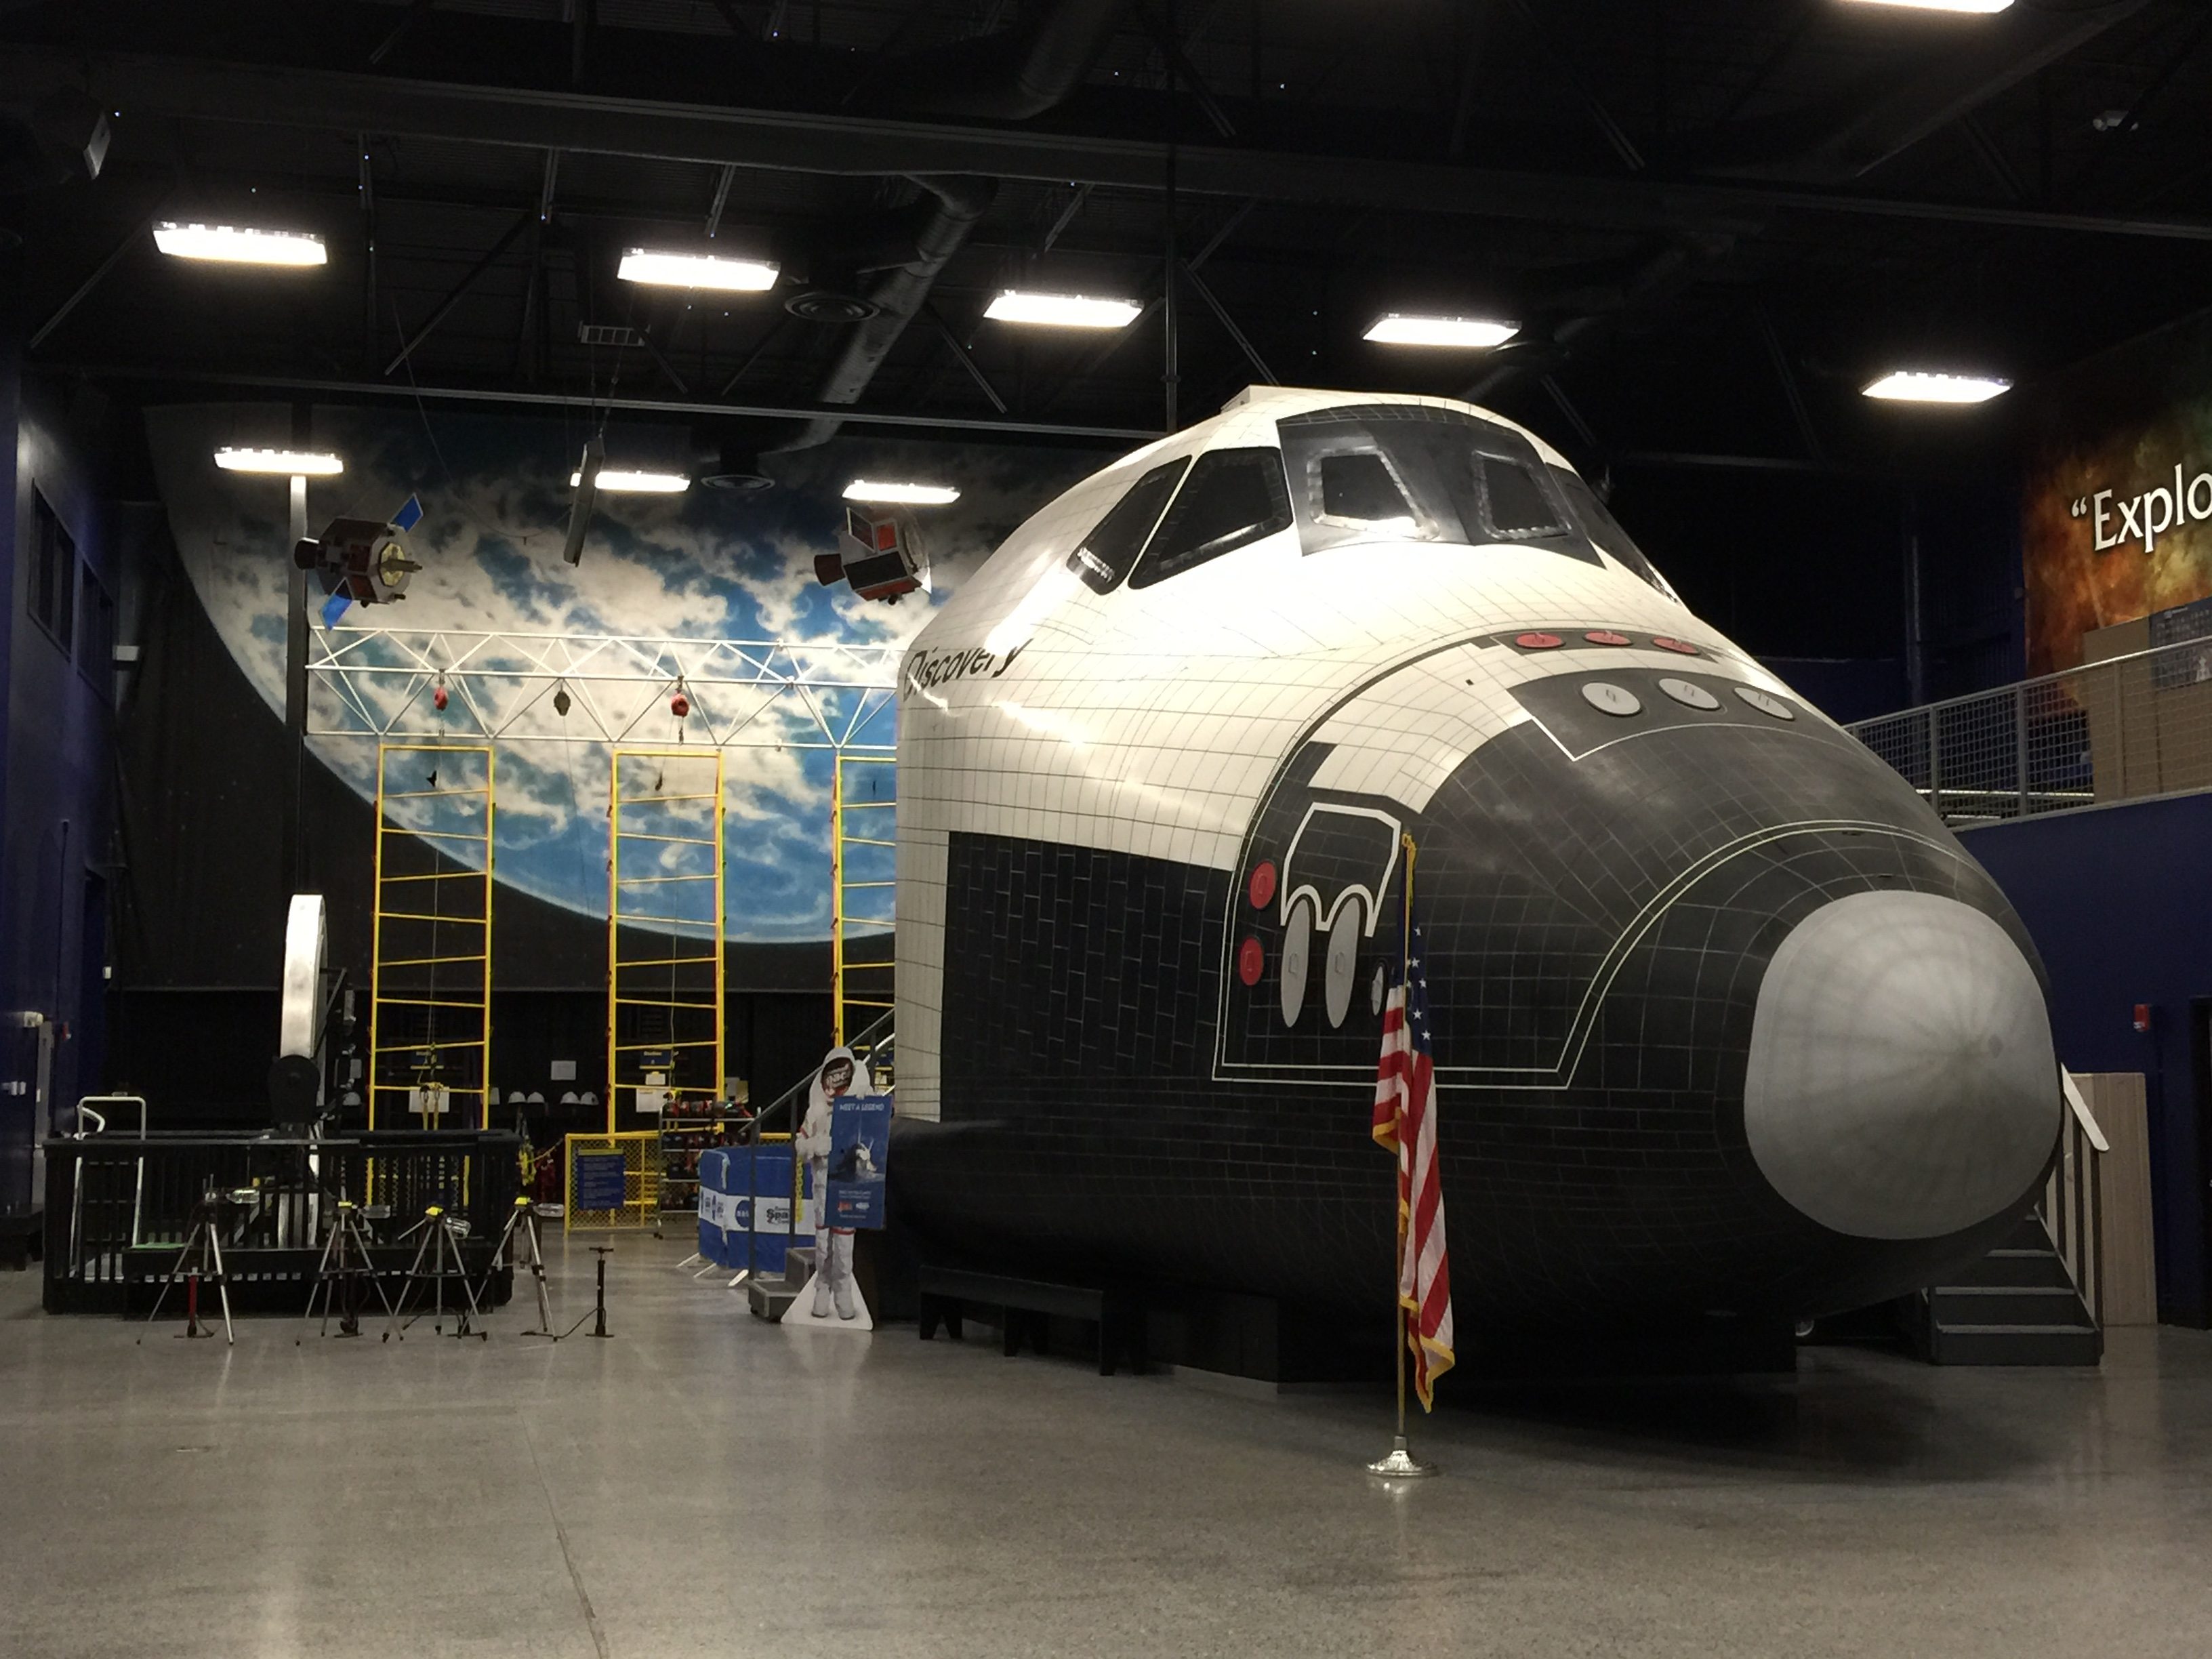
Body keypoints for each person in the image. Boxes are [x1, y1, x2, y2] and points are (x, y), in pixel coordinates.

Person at [795, 1044, 872, 1319]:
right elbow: (800, 1144)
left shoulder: (859, 1107)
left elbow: (875, 1133)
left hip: (848, 1184)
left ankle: (843, 1289)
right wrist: (815, 1145)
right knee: (823, 1242)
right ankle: (822, 1286)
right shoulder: (816, 1111)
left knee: (844, 1243)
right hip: (822, 1185)